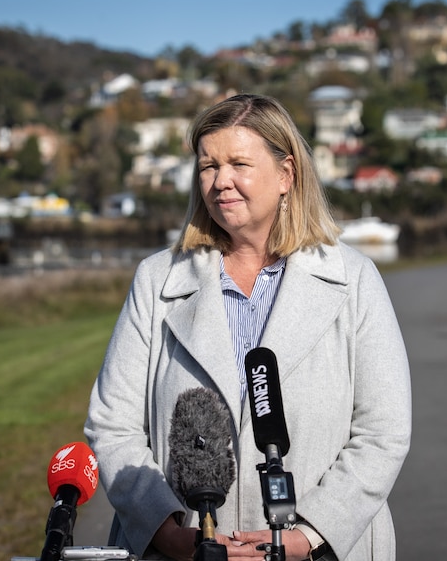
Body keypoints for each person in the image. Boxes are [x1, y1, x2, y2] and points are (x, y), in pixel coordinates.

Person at [85, 93, 412, 561]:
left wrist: (308, 535)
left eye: (239, 163)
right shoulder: (156, 280)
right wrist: (170, 532)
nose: (221, 182)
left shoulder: (354, 279)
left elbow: (385, 430)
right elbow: (112, 425)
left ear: (286, 175)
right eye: (207, 166)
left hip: (322, 551)